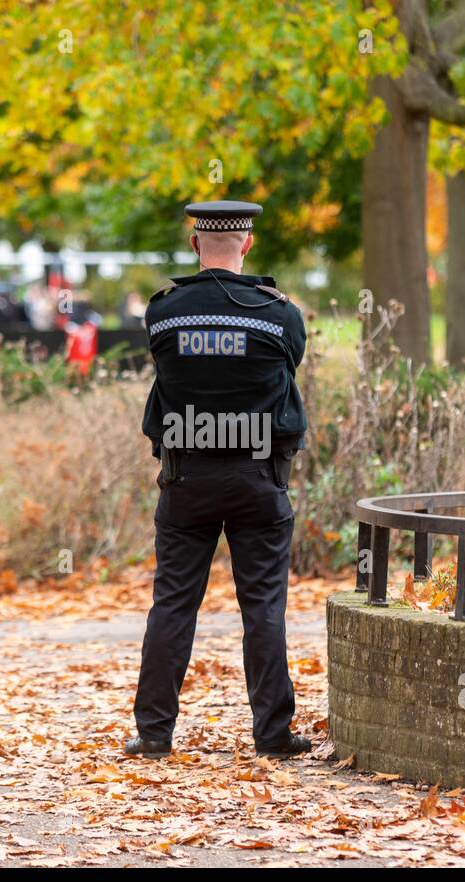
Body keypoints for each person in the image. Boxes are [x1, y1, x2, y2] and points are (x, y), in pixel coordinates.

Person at [126, 200, 311, 760]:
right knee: (264, 607)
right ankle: (273, 734)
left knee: (173, 604)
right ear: (247, 244)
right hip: (259, 477)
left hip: (187, 480)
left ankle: (154, 732)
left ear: (194, 244)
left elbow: (166, 368)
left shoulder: (164, 313)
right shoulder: (280, 315)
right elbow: (288, 369)